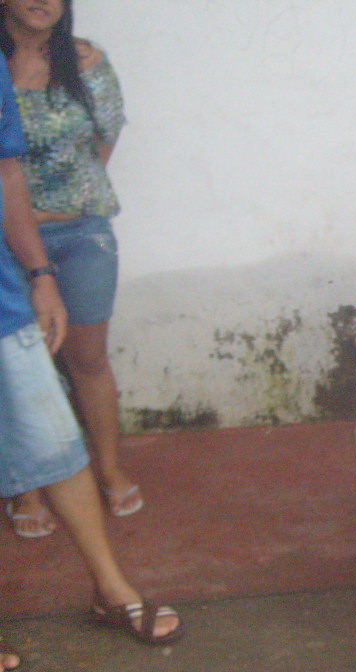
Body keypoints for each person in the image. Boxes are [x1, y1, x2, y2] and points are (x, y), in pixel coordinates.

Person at [0, 53, 181, 672]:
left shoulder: (46, 68)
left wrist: (40, 270)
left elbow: (9, 172)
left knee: (58, 426)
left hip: (17, 279)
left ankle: (110, 584)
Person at [1, 0, 139, 538]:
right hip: (7, 241)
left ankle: (110, 469)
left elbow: (108, 131)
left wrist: (72, 192)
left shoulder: (86, 61)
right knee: (20, 366)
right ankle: (28, 487)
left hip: (82, 234)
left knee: (88, 358)